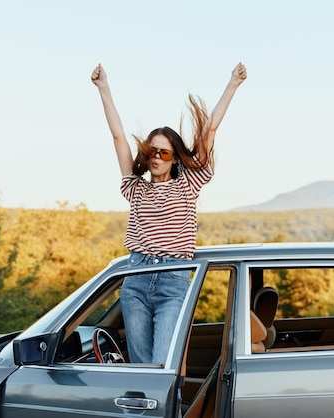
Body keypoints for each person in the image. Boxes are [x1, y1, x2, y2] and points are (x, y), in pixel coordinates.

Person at [91, 62, 247, 363]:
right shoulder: (136, 188)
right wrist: (104, 88)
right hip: (136, 278)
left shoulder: (189, 183)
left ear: (174, 157)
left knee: (163, 364)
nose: (156, 158)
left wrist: (232, 84)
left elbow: (209, 129)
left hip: (173, 280)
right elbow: (118, 138)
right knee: (141, 366)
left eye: (163, 152)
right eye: (152, 152)